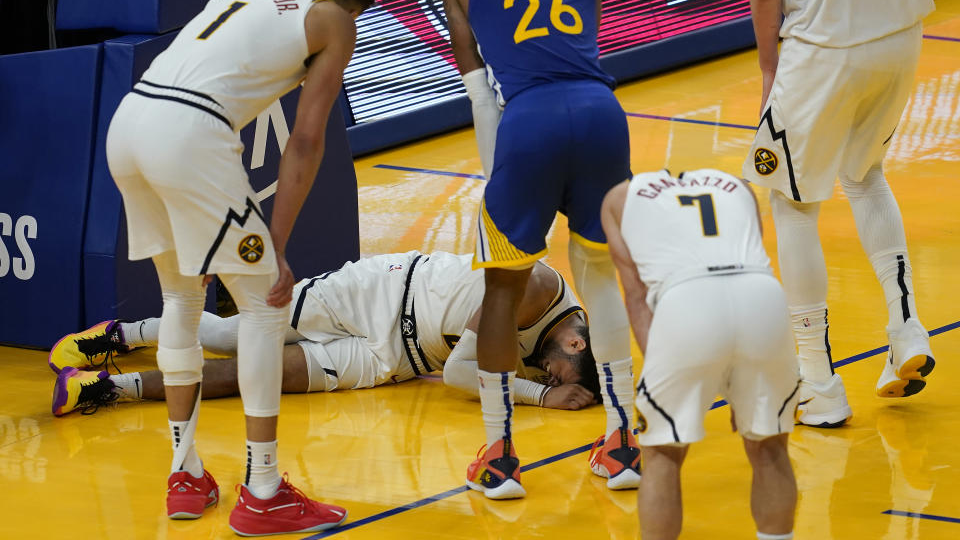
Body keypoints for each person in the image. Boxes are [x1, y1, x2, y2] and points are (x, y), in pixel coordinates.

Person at [101, 0, 379, 534]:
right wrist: (274, 246)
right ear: (354, 5)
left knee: (181, 299)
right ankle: (264, 490)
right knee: (264, 302)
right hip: (187, 133)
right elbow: (305, 141)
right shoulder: (336, 19)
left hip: (129, 123)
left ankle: (186, 474)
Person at [443, 0, 639, 499]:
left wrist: (499, 173)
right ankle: (623, 444)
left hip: (529, 123)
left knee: (504, 287)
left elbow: (480, 90)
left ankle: (500, 459)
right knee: (601, 279)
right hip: (603, 114)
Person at [744, 0, 936, 428]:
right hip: (901, 36)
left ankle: (817, 382)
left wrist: (767, 69)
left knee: (791, 202)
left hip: (825, 47)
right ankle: (906, 328)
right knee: (866, 176)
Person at [49, 252, 600, 413]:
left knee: (259, 375)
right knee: (235, 337)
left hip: (396, 359)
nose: (544, 371)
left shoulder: (565, 345)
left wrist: (548, 389)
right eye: (555, 368)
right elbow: (462, 373)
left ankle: (108, 390)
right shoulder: (535, 287)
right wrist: (542, 394)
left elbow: (470, 371)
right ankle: (124, 334)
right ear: (574, 342)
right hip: (378, 293)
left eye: (546, 374)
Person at [602, 169, 800, 540]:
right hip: (762, 296)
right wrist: (738, 388)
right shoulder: (737, 186)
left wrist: (666, 381)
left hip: (687, 300)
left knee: (663, 452)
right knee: (769, 445)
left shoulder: (618, 199)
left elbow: (636, 297)